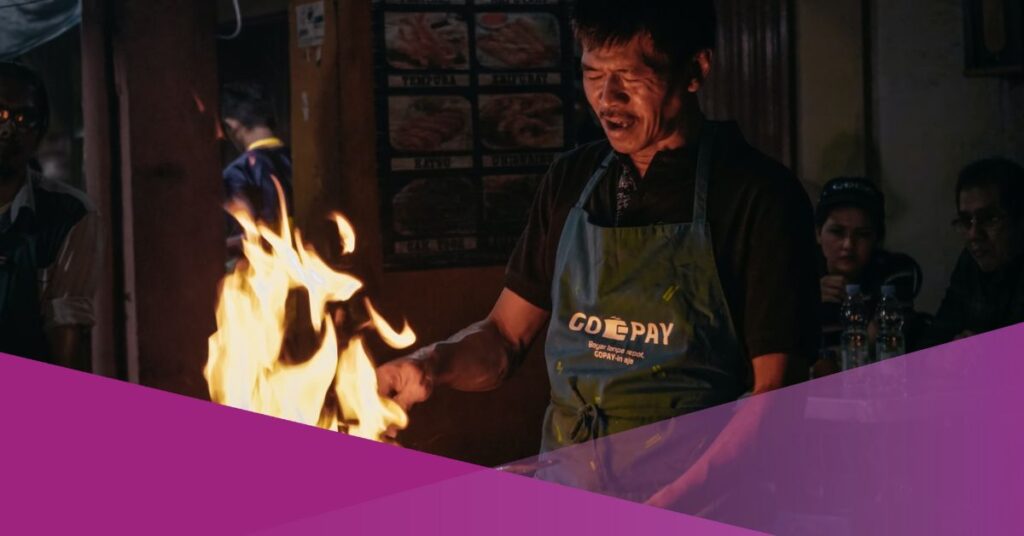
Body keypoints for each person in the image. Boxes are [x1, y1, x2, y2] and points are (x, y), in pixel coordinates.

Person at [376, 0, 819, 506]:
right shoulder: (573, 179)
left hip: (703, 504)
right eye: (592, 75)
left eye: (630, 76)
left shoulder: (759, 196)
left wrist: (669, 505)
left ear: (696, 69)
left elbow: (775, 400)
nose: (607, 98)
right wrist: (432, 364)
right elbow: (502, 338)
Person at [0, 62, 99, 369]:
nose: (7, 129)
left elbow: (66, 332)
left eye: (23, 119)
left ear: (40, 131)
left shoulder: (68, 214)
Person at [812, 177, 923, 374]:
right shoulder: (799, 273)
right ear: (818, 234)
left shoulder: (893, 270)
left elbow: (881, 341)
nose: (848, 245)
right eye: (837, 232)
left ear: (876, 239)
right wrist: (809, 297)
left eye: (862, 234)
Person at [925, 158, 1024, 345]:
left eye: (989, 219)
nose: (973, 235)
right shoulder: (970, 261)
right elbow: (935, 336)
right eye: (965, 221)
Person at [220, 81, 294, 249]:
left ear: (231, 125)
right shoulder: (302, 161)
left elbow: (250, 237)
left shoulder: (238, 172)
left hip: (263, 270)